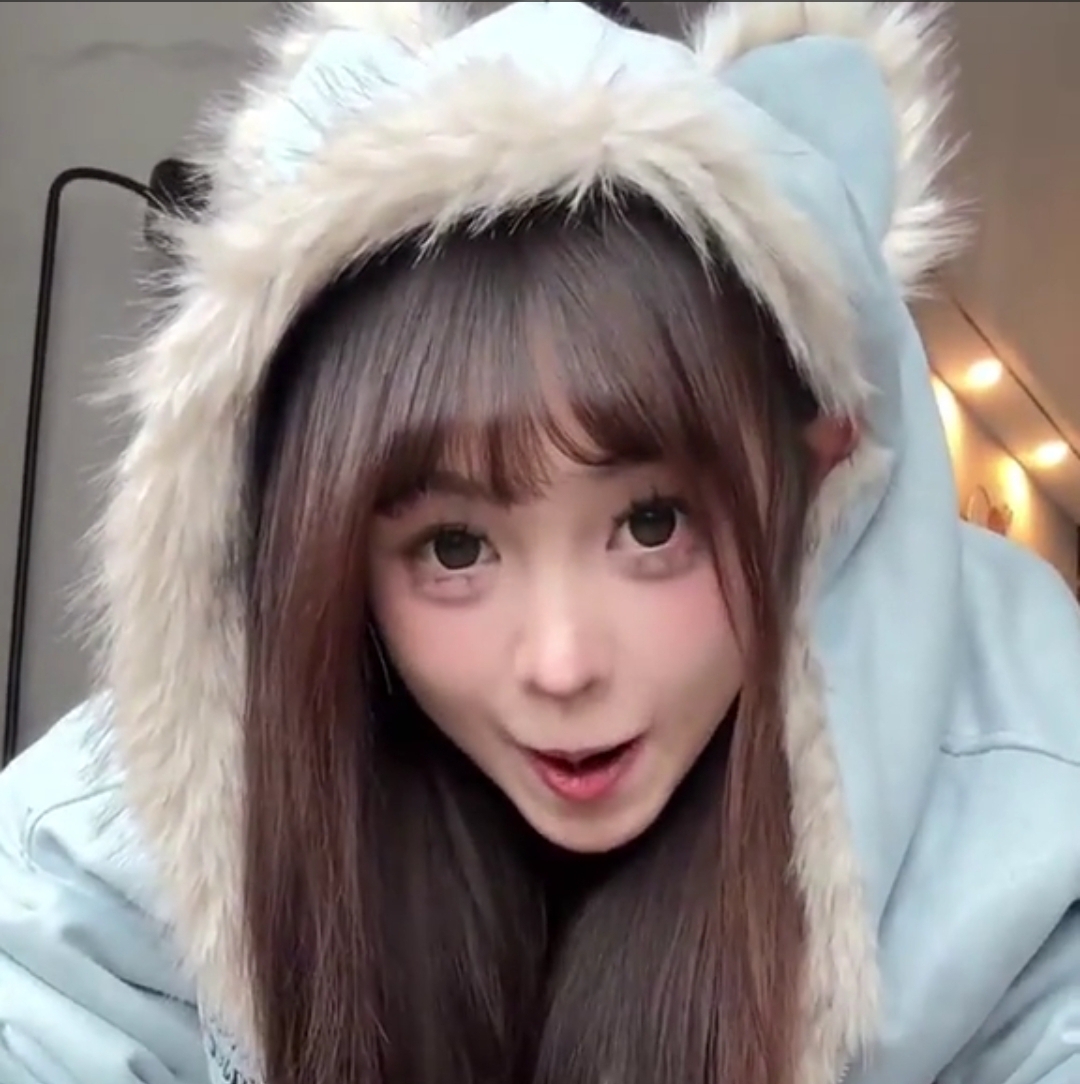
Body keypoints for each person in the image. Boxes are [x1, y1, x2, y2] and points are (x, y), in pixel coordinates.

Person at [2, 2, 1080, 1083]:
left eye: (652, 524)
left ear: (818, 481)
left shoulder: (1023, 839)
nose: (561, 664)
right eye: (454, 549)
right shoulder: (118, 856)